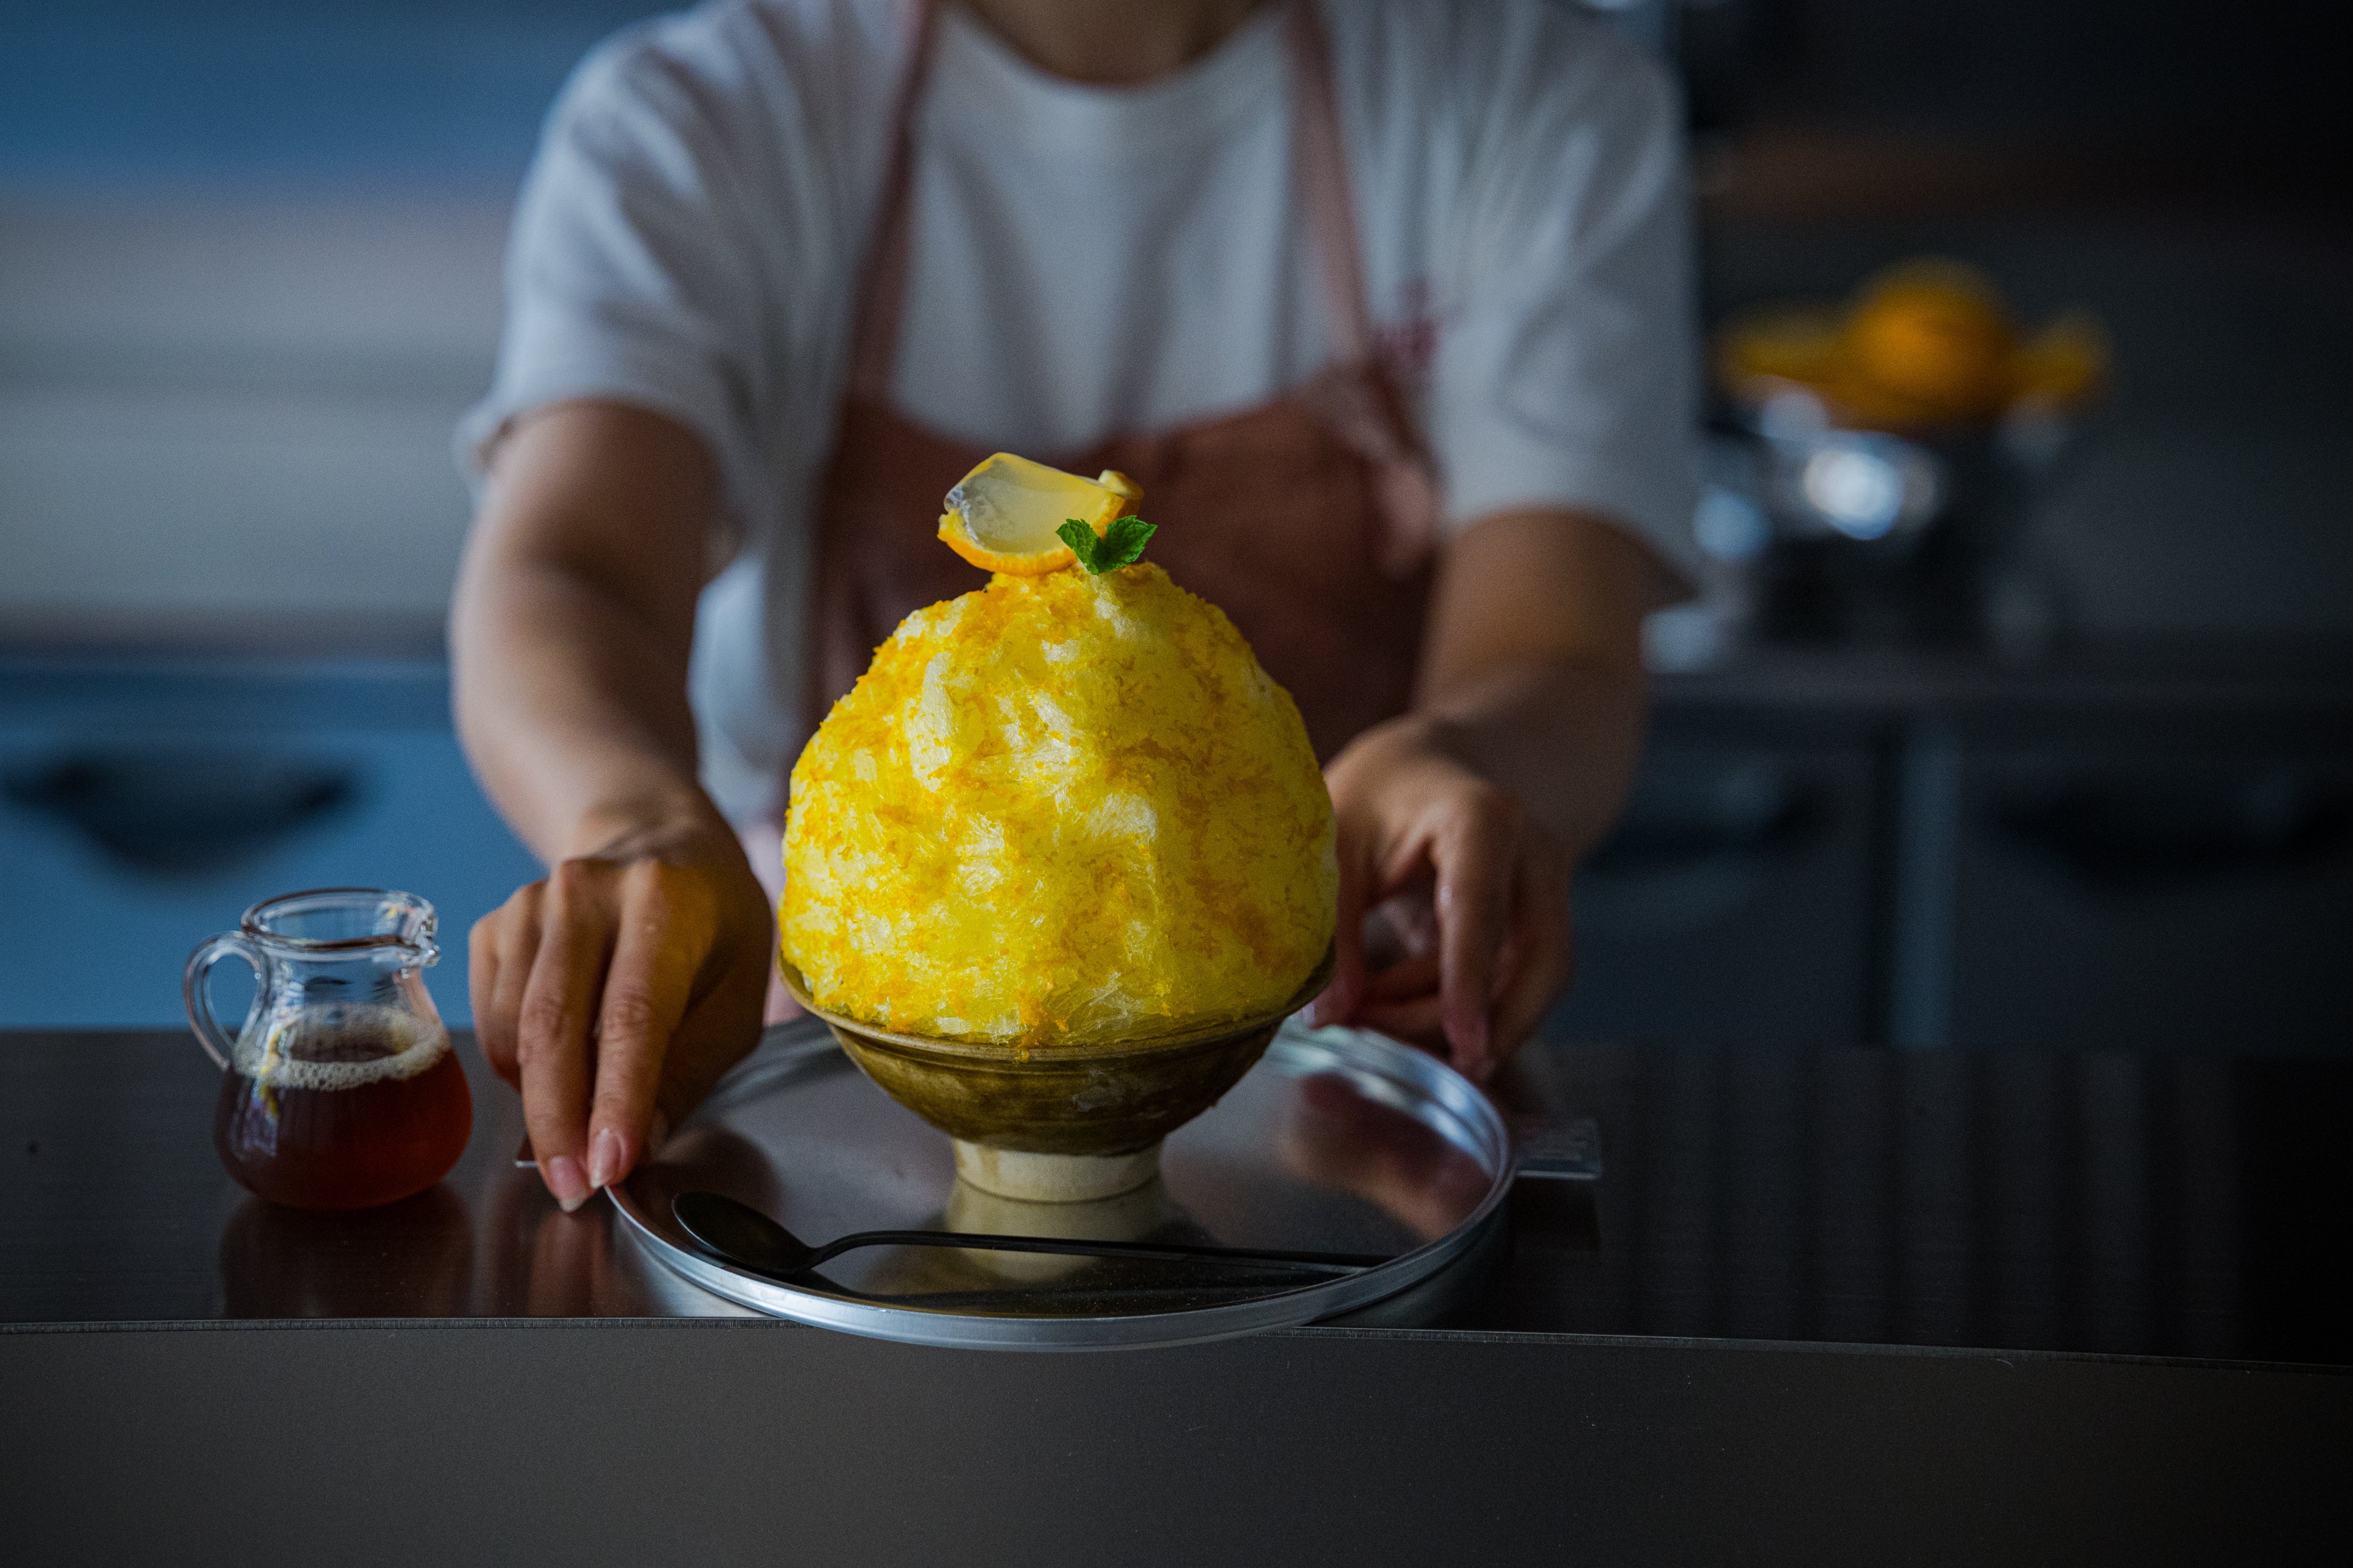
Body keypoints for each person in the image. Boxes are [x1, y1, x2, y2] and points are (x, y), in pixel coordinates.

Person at [453, 0, 1699, 1211]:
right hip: (825, 1075)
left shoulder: (1532, 102)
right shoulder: (704, 118)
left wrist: (1469, 753)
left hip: (1346, 1077)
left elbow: (1558, 645)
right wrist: (633, 819)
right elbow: (570, 568)